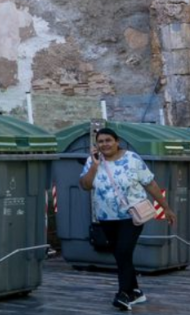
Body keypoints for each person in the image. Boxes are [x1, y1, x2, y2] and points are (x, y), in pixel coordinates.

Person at [80, 126, 178, 310]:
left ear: (117, 142)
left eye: (108, 140)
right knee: (120, 254)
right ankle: (135, 291)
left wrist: (166, 208)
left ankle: (123, 294)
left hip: (132, 216)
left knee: (123, 251)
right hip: (106, 217)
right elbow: (85, 185)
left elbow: (150, 184)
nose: (105, 144)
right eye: (100, 141)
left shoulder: (131, 159)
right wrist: (94, 166)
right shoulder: (93, 161)